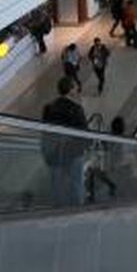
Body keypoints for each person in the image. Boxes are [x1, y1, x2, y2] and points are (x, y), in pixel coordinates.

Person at [41, 77, 89, 207]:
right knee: (76, 183)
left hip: (54, 153)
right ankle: (77, 209)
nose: (77, 88)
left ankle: (59, 210)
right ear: (71, 90)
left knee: (57, 184)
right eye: (75, 86)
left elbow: (45, 132)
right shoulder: (76, 108)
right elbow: (84, 133)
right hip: (74, 152)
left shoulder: (49, 108)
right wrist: (86, 147)